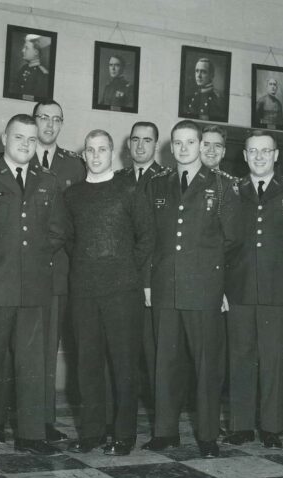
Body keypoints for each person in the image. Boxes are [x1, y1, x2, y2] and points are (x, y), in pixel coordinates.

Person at [0, 114, 67, 461]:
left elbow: (58, 229)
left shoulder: (47, 181)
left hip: (33, 287)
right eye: (19, 137)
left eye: (31, 140)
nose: (25, 145)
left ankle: (31, 435)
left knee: (31, 366)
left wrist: (34, 258)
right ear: (4, 137)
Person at [142, 120, 242, 458]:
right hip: (165, 287)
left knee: (206, 366)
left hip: (204, 289)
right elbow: (150, 238)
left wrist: (219, 284)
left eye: (190, 143)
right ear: (171, 148)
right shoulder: (158, 185)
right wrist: (147, 282)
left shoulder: (221, 186)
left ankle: (207, 435)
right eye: (177, 143)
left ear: (201, 146)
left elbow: (232, 240)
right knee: (165, 362)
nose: (183, 149)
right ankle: (165, 432)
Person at [65, 129, 154, 456]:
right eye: (90, 149)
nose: (96, 155)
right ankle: (90, 433)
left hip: (122, 292)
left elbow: (146, 237)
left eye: (102, 149)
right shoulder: (72, 195)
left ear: (113, 153)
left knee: (124, 365)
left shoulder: (129, 189)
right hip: (84, 291)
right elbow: (71, 239)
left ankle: (123, 435)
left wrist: (124, 269)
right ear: (84, 154)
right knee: (87, 365)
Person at [223, 130, 283, 449]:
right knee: (240, 357)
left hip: (279, 292)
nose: (260, 156)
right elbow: (222, 244)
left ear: (276, 155)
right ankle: (241, 425)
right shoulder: (231, 191)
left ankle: (272, 426)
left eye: (266, 151)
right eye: (253, 151)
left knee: (274, 359)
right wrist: (221, 288)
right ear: (245, 156)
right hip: (239, 288)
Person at [31, 99, 86, 442]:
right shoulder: (16, 155)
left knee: (48, 348)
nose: (49, 125)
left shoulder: (74, 166)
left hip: (58, 274)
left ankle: (43, 421)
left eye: (56, 120)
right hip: (17, 270)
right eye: (43, 119)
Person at [126, 121, 165, 404]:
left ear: (156, 145)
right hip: (121, 277)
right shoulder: (117, 178)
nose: (141, 145)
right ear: (128, 144)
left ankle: (160, 415)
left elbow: (159, 237)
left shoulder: (167, 179)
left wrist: (148, 281)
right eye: (136, 139)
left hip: (152, 278)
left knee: (154, 350)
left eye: (147, 140)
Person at [13, 34, 49, 98]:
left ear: (36, 52)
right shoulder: (23, 68)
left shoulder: (42, 73)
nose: (23, 50)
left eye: (26, 48)